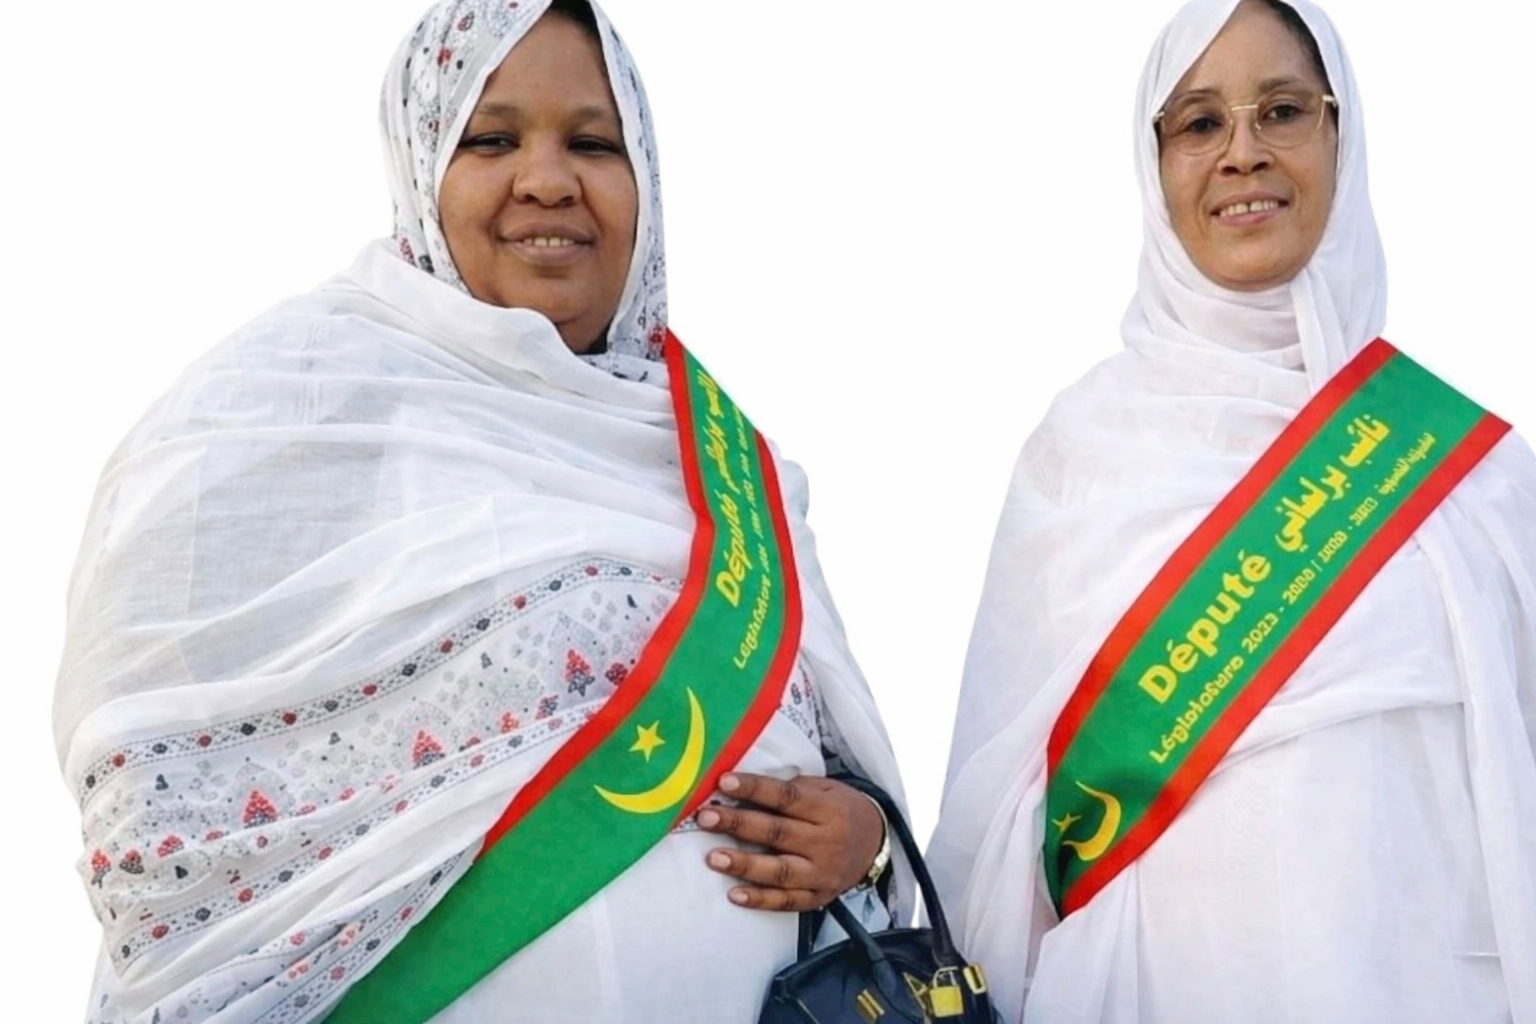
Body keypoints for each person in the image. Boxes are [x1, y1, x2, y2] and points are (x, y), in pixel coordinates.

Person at [53, 2, 906, 1021]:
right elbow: (143, 770)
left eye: (594, 144)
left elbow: (846, 770)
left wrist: (866, 836)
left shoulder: (723, 463)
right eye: (491, 140)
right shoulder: (284, 405)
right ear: (420, 166)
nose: (548, 179)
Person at [928, 1, 1536, 1021]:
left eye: (1283, 111)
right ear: (1154, 161)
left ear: (1340, 134)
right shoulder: (1080, 453)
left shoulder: (1479, 477)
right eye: (1201, 123)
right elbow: (996, 821)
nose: (1242, 153)